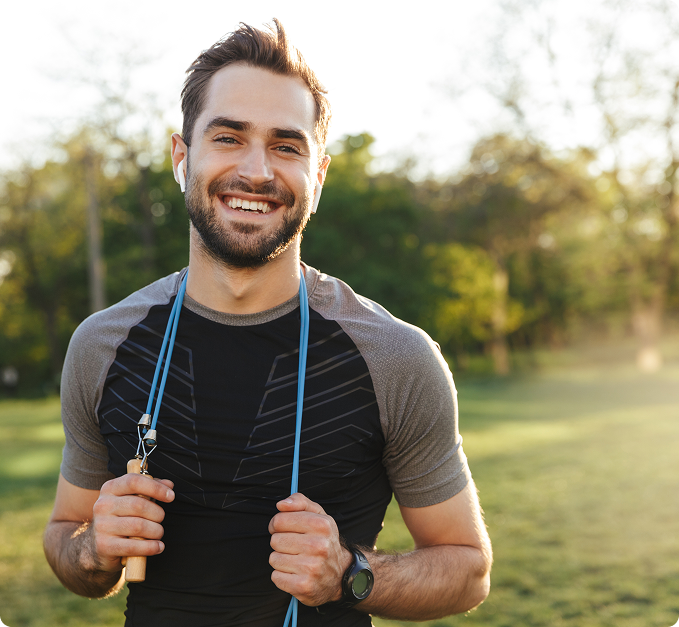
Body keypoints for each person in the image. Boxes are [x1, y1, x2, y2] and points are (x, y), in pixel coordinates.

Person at [43, 19, 492, 627]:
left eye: (286, 146)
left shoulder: (395, 356)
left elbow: (467, 569)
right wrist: (92, 547)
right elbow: (65, 541)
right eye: (228, 137)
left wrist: (348, 575)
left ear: (319, 176)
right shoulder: (102, 344)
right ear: (183, 156)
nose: (257, 172)